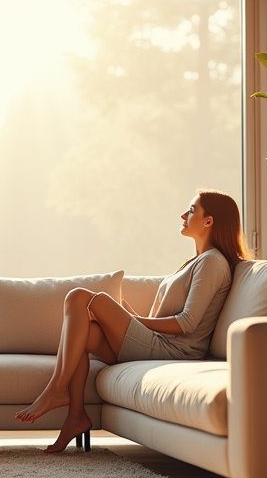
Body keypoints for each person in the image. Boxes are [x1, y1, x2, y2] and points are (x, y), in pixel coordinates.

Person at [15, 189, 249, 453]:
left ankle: (56, 390)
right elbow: (165, 317)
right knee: (85, 331)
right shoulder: (195, 262)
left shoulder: (212, 263)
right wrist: (130, 317)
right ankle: (76, 416)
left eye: (192, 210)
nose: (184, 215)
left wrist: (134, 320)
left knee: (79, 298)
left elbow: (187, 323)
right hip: (160, 343)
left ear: (209, 221)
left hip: (174, 350)